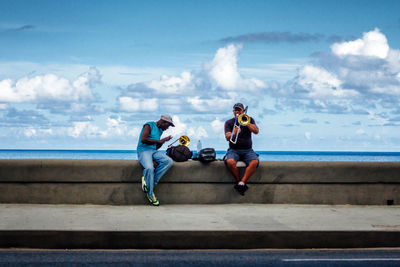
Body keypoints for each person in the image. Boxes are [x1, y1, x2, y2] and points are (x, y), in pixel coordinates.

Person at [137, 114, 174, 206]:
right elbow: (143, 139)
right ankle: (150, 194)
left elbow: (156, 147)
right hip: (143, 151)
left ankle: (150, 182)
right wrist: (159, 141)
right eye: (168, 125)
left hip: (153, 151)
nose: (167, 128)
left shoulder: (160, 130)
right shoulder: (149, 125)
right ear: (163, 122)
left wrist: (163, 141)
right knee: (149, 168)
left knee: (168, 162)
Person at [224, 103, 259, 195]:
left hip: (248, 150)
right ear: (233, 111)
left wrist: (247, 123)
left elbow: (256, 131)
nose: (237, 112)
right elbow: (227, 137)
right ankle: (239, 181)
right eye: (235, 110)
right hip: (233, 149)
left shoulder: (250, 120)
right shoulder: (229, 122)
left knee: (254, 162)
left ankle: (241, 183)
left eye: (239, 110)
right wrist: (234, 132)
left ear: (243, 111)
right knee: (230, 162)